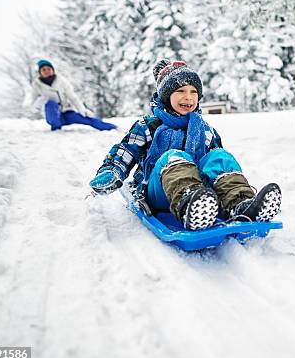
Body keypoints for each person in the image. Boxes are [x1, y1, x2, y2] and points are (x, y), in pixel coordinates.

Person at [88, 59, 282, 231]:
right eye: (180, 91)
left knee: (219, 157)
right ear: (165, 96)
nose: (188, 97)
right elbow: (125, 151)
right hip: (158, 192)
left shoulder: (204, 130)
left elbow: (213, 165)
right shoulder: (148, 126)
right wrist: (112, 172)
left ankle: (241, 204)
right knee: (173, 156)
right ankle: (190, 206)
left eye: (193, 92)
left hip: (203, 193)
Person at [25, 59, 117, 131]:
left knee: (87, 118)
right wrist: (38, 103)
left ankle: (111, 127)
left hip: (68, 112)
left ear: (53, 70)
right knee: (50, 103)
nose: (46, 71)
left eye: (49, 69)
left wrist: (81, 109)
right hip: (53, 116)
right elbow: (33, 105)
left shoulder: (62, 81)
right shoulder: (36, 85)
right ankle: (56, 128)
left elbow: (73, 97)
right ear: (40, 72)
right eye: (43, 69)